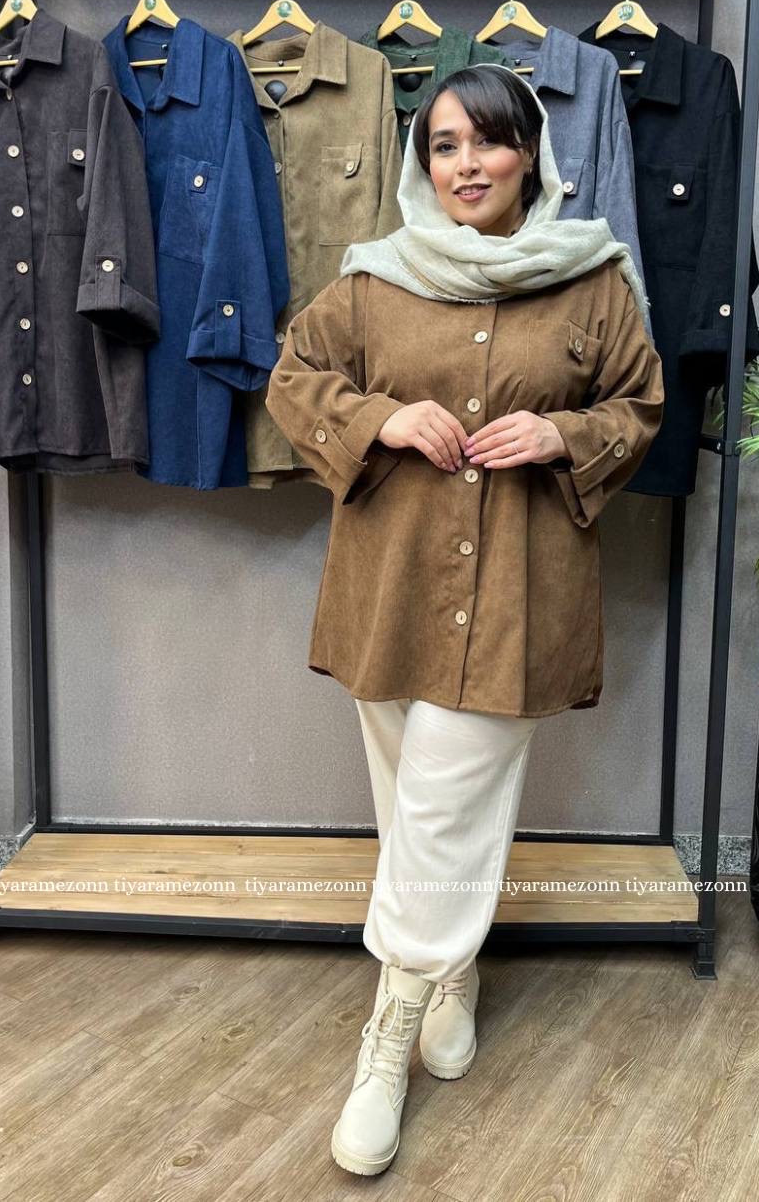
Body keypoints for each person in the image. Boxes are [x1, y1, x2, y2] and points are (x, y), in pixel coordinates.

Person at [264, 63, 664, 1177]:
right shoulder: (372, 279)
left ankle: (384, 1038)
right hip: (390, 587)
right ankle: (452, 974)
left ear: (529, 153)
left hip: (522, 593)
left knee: (440, 805)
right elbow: (294, 378)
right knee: (409, 799)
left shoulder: (593, 281)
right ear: (422, 161)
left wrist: (562, 436)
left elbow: (639, 405)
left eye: (487, 142)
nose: (466, 165)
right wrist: (383, 420)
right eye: (443, 145)